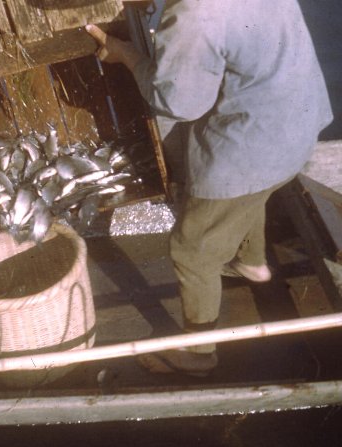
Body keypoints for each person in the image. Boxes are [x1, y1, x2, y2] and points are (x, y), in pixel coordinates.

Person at [86, 0, 332, 375]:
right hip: (300, 128)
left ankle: (199, 354)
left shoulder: (193, 13)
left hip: (251, 151)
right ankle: (252, 264)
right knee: (253, 196)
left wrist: (128, 55)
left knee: (193, 251)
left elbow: (179, 103)